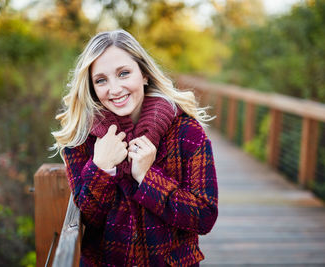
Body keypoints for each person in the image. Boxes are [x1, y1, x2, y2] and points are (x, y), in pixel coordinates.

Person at [51, 30, 218, 267]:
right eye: (101, 80)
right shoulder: (81, 138)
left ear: (145, 75)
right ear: (91, 88)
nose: (115, 88)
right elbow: (87, 218)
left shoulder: (187, 133)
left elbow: (205, 217)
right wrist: (101, 167)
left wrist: (147, 178)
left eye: (123, 73)